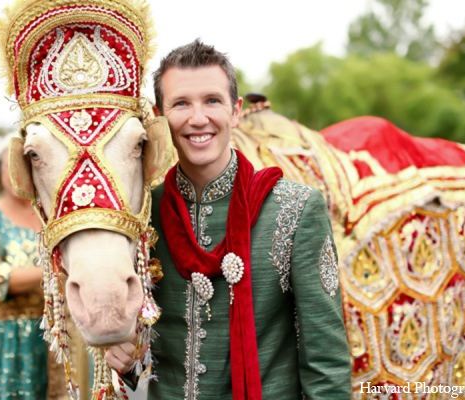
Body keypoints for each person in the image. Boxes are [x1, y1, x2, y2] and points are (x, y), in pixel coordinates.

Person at [105, 39, 352, 399]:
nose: (198, 118)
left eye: (212, 101)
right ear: (159, 116)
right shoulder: (142, 214)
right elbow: (141, 362)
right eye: (181, 104)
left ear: (236, 111)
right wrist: (129, 366)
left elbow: (326, 361)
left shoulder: (295, 209)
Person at [0, 135, 66, 399]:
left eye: (24, 162)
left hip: (56, 336)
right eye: (8, 164)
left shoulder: (53, 215)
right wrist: (57, 272)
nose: (17, 171)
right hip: (4, 339)